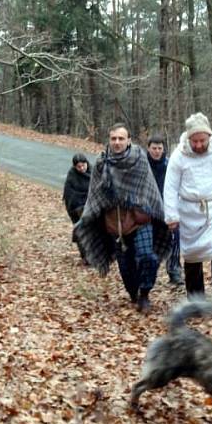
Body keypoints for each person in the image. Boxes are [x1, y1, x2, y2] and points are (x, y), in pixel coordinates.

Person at [74, 123, 173, 312]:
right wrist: (86, 219)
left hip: (140, 219)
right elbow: (95, 196)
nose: (117, 142)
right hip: (115, 223)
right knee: (126, 267)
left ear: (129, 140)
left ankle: (145, 293)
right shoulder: (101, 164)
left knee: (147, 256)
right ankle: (133, 292)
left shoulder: (139, 160)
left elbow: (148, 191)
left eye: (121, 138)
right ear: (109, 140)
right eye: (113, 138)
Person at [163, 112, 212, 308]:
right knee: (192, 256)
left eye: (202, 140)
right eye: (194, 141)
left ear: (209, 137)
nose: (198, 145)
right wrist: (172, 215)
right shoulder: (178, 156)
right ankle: (196, 301)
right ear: (188, 138)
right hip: (189, 211)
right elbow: (170, 187)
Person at [146, 134, 184, 286]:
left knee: (175, 240)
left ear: (164, 149)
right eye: (154, 148)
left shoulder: (170, 165)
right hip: (147, 210)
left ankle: (174, 272)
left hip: (167, 208)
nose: (156, 151)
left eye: (159, 148)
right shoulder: (142, 166)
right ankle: (147, 274)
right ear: (148, 148)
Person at [63, 153, 91, 264]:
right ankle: (85, 256)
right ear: (75, 167)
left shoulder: (93, 172)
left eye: (83, 165)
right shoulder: (72, 177)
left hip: (92, 207)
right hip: (77, 208)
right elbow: (70, 196)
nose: (82, 168)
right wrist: (79, 207)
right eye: (79, 167)